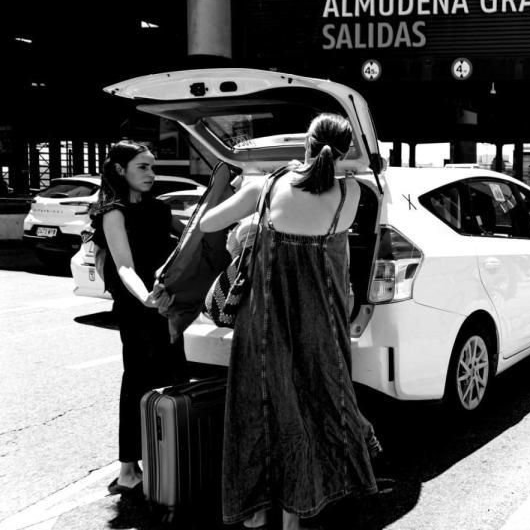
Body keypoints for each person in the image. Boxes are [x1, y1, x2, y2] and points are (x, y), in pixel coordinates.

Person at [200, 113, 379, 530]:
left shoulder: (266, 187)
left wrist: (247, 202)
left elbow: (209, 223)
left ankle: (257, 508)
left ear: (306, 143)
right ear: (344, 150)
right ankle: (297, 512)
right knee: (314, 406)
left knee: (260, 406)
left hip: (264, 321)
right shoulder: (351, 194)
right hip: (321, 322)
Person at [88, 140, 185, 495]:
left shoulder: (158, 208)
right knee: (139, 381)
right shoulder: (112, 212)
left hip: (164, 305)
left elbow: (189, 239)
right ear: (119, 169)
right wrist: (143, 295)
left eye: (152, 166)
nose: (151, 174)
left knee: (174, 376)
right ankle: (129, 468)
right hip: (137, 307)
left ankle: (166, 456)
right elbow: (123, 264)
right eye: (143, 167)